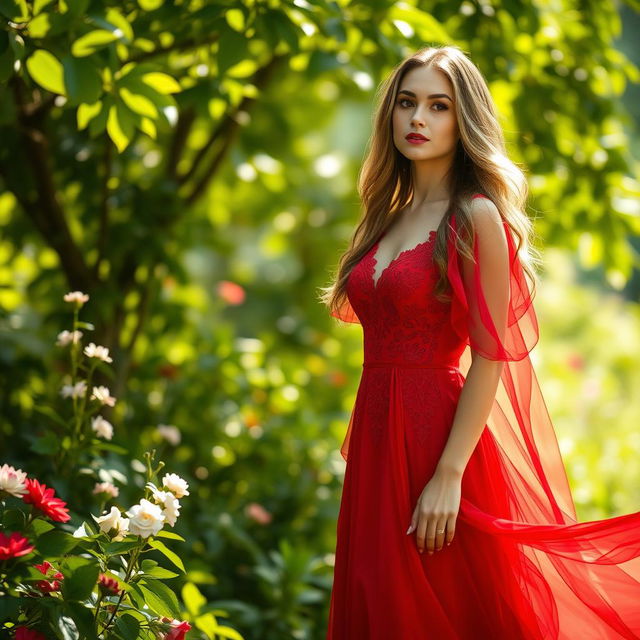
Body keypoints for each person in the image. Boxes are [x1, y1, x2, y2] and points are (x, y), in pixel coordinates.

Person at [319, 44, 640, 640]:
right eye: (407, 103)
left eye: (439, 107)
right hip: (376, 439)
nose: (418, 119)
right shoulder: (386, 212)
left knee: (441, 613)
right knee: (375, 602)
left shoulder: (476, 216)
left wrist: (448, 473)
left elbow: (492, 354)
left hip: (437, 441)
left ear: (463, 119)